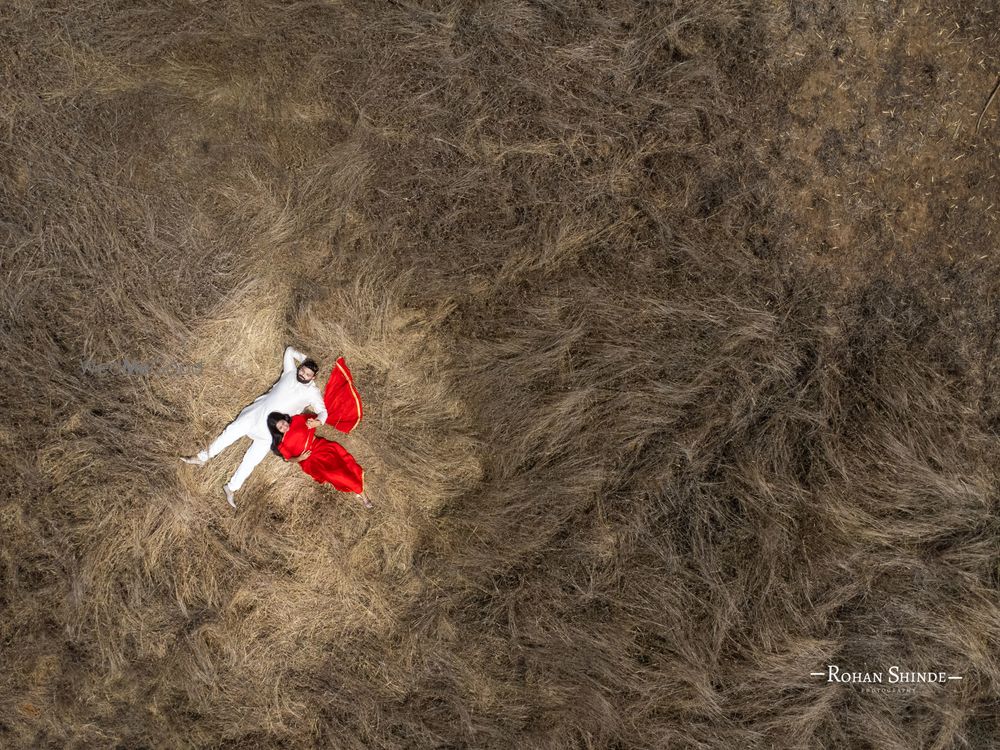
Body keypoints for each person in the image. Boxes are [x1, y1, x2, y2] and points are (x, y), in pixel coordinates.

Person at [181, 346, 329, 508]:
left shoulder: (312, 393)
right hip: (256, 413)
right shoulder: (290, 372)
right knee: (229, 433)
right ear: (300, 367)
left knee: (252, 460)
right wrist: (306, 359)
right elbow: (289, 351)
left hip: (272, 429)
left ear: (313, 377)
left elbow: (323, 412)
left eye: (308, 375)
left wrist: (318, 421)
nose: (303, 375)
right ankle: (202, 458)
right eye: (302, 370)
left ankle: (231, 488)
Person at [267, 410, 370, 507]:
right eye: (280, 428)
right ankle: (358, 489)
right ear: (277, 431)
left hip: (320, 446)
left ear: (284, 418)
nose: (284, 427)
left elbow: (314, 419)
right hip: (309, 461)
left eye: (283, 423)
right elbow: (289, 458)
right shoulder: (281, 444)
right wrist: (300, 458)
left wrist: (313, 422)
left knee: (341, 465)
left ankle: (362, 493)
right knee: (332, 474)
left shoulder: (297, 420)